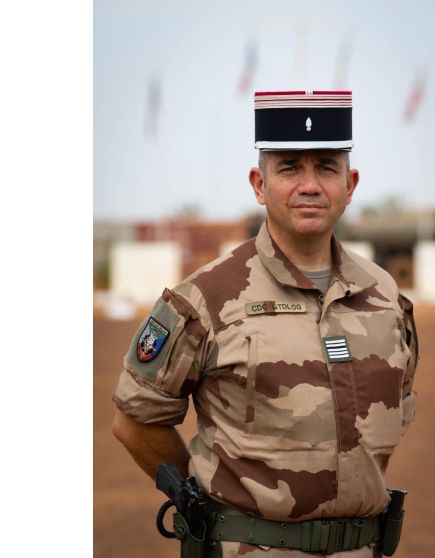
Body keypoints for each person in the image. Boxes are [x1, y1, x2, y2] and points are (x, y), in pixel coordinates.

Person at [112, 90, 419, 558]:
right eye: (290, 167)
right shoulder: (206, 298)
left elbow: (394, 411)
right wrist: (196, 500)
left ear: (351, 184)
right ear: (259, 184)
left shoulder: (385, 296)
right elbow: (136, 420)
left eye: (327, 167)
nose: (310, 185)